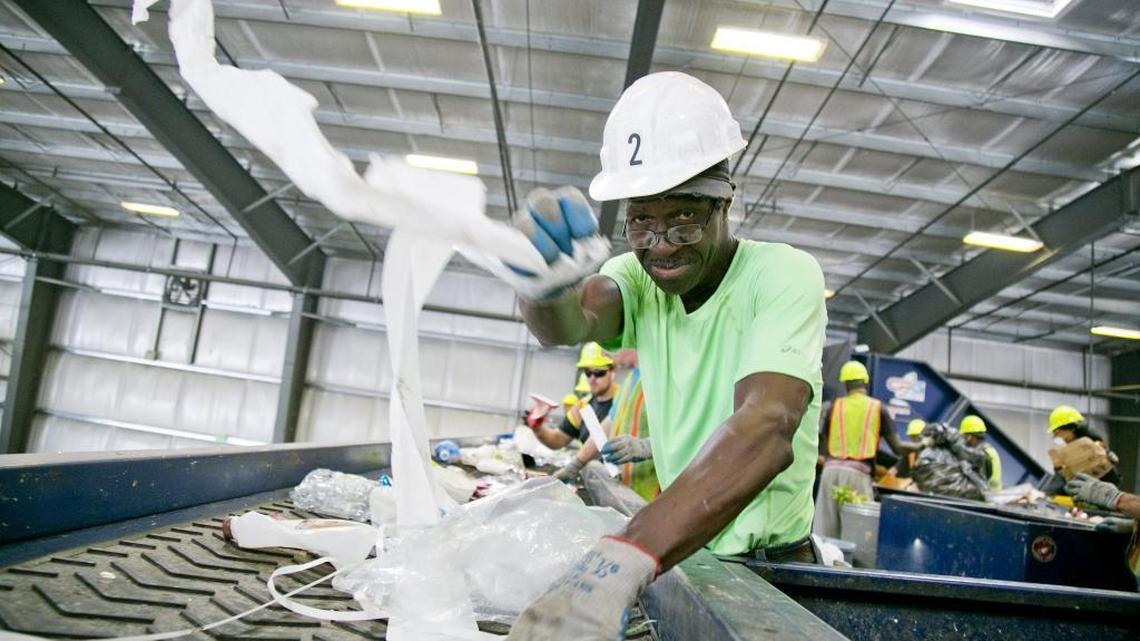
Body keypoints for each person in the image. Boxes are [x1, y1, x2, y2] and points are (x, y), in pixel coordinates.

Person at [501, 71, 827, 640]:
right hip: (682, 557)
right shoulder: (635, 278)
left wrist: (622, 557)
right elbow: (572, 321)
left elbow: (768, 425)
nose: (661, 243)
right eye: (642, 221)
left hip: (774, 577)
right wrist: (541, 288)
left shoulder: (781, 274)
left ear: (726, 202)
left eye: (685, 216)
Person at [813, 361, 919, 538]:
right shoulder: (877, 408)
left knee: (825, 532)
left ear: (845, 384)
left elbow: (820, 442)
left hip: (830, 473)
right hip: (858, 475)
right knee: (859, 532)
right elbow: (898, 448)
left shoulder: (834, 406)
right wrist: (922, 444)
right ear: (866, 383)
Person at [545, 343, 619, 481]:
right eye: (588, 372)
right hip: (593, 478)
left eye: (599, 372)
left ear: (613, 372)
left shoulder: (623, 402)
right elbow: (557, 439)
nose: (592, 378)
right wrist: (538, 428)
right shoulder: (582, 407)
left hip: (622, 481)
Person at [600, 356, 659, 501]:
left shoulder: (661, 377)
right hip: (625, 489)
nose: (606, 355)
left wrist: (646, 447)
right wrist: (577, 464)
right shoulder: (631, 377)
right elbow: (609, 423)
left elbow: (686, 434)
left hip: (651, 494)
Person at [1049, 405, 1121, 485]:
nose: (1057, 437)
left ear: (1071, 429)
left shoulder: (1092, 445)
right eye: (1054, 433)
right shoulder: (1064, 452)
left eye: (1058, 432)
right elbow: (1061, 475)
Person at [959, 415, 1002, 491]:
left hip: (988, 498)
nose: (963, 439)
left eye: (963, 436)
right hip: (992, 495)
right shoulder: (989, 449)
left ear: (969, 436)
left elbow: (979, 482)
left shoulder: (982, 454)